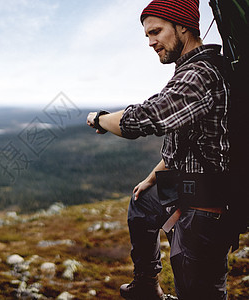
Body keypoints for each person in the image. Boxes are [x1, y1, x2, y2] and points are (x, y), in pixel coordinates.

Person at [86, 0, 233, 299]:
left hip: (207, 209)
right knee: (141, 202)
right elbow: (183, 145)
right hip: (187, 188)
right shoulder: (187, 71)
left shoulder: (199, 75)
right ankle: (146, 284)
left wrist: (100, 119)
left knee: (197, 289)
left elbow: (144, 119)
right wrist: (153, 177)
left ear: (183, 26)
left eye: (156, 32)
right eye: (147, 35)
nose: (151, 42)